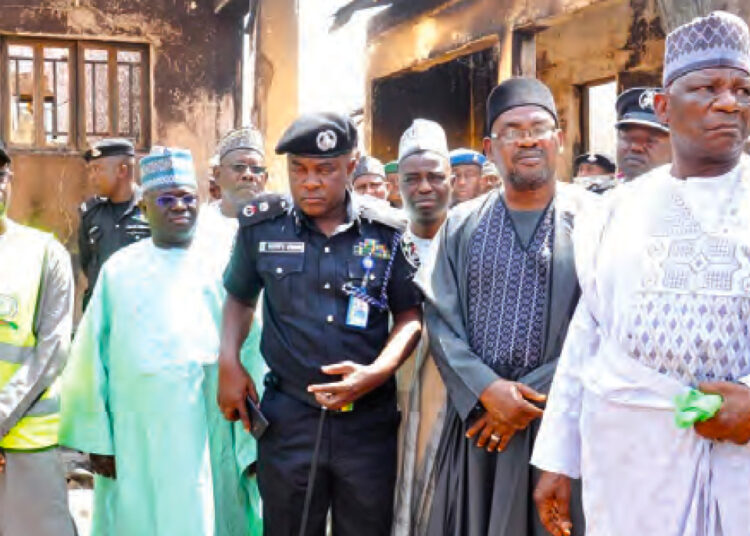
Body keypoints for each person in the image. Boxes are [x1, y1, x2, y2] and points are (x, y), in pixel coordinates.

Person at [532, 12, 750, 536]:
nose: (730, 102)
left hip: (737, 465)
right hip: (628, 461)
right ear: (663, 106)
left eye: (743, 88)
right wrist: (558, 456)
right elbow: (588, 335)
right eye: (707, 87)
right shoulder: (614, 212)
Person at [217, 112, 423, 536]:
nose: (310, 181)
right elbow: (240, 296)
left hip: (367, 424)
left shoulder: (387, 231)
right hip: (290, 418)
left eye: (325, 170)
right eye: (299, 169)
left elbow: (409, 317)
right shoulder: (262, 226)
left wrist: (376, 373)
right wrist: (229, 361)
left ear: (351, 166)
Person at [60, 147, 261, 536]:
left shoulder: (226, 264)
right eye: (166, 199)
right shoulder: (119, 271)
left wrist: (252, 443)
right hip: (138, 438)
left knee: (211, 514)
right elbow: (89, 362)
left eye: (188, 198)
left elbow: (252, 347)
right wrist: (97, 440)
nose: (179, 207)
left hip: (209, 429)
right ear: (144, 208)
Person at [418, 77, 588, 536]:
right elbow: (439, 318)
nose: (528, 138)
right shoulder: (460, 224)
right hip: (481, 426)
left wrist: (526, 397)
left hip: (565, 426)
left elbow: (607, 325)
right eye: (513, 130)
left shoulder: (596, 219)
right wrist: (489, 391)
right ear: (491, 147)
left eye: (539, 127)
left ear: (559, 137)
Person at [0, 142, 77, 536]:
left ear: (9, 180)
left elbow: (52, 352)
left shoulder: (45, 253)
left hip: (26, 448)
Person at [391, 119, 452, 536]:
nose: (424, 187)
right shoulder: (383, 242)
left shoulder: (471, 236)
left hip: (451, 405)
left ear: (451, 180)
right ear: (398, 184)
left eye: (434, 177)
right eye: (413, 179)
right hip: (389, 403)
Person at [78, 138, 150, 310]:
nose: (92, 177)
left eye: (97, 169)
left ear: (122, 170)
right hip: (100, 312)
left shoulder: (150, 208)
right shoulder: (90, 212)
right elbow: (87, 262)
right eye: (90, 170)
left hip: (140, 311)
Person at [615, 87, 671, 182]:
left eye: (651, 141)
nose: (636, 147)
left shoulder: (687, 195)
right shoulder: (604, 195)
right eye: (627, 138)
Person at [214, 126, 269, 218]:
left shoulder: (279, 225)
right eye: (238, 167)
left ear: (265, 178)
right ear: (217, 174)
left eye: (256, 169)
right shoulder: (199, 226)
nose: (248, 175)